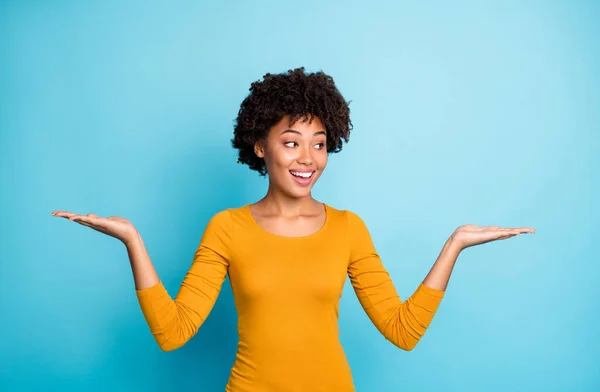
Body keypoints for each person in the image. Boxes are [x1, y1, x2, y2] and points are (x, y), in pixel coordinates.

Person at [51, 67, 535, 391]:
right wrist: (133, 240)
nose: (308, 159)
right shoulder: (227, 228)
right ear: (260, 147)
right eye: (291, 142)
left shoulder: (349, 229)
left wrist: (455, 246)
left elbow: (402, 331)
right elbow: (173, 333)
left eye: (319, 144)